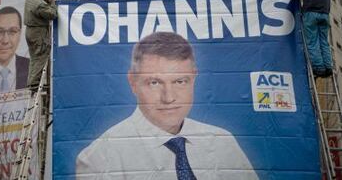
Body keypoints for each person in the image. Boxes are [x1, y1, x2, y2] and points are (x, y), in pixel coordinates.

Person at [76, 32, 258, 180]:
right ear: (133, 82)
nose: (169, 98)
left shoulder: (222, 140)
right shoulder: (98, 158)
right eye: (154, 82)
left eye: (180, 81)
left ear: (193, 78)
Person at [290, 0, 333, 77]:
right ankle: (328, 67)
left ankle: (319, 68)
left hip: (310, 15)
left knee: (312, 42)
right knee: (324, 42)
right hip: (325, 15)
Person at [24, 0, 58, 90]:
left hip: (29, 32)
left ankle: (31, 82)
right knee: (42, 55)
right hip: (38, 32)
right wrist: (52, 3)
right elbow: (52, 14)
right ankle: (34, 83)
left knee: (34, 57)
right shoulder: (39, 3)